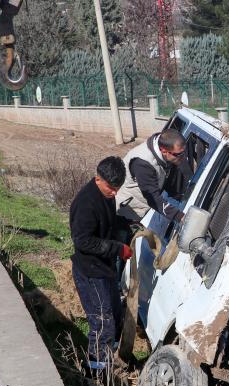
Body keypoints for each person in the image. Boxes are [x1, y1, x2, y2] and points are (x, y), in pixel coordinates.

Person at [69, 156, 132, 372]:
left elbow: (107, 225)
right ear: (98, 178)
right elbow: (82, 241)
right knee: (102, 322)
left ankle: (110, 359)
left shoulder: (107, 195)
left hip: (104, 267)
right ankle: (96, 371)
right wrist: (117, 248)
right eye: (111, 188)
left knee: (115, 314)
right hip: (89, 271)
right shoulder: (86, 203)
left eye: (118, 188)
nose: (115, 193)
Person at [116, 128, 188, 231]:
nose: (183, 156)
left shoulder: (165, 147)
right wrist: (181, 217)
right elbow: (153, 199)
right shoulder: (143, 164)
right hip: (129, 212)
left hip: (146, 208)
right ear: (164, 151)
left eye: (184, 152)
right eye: (179, 154)